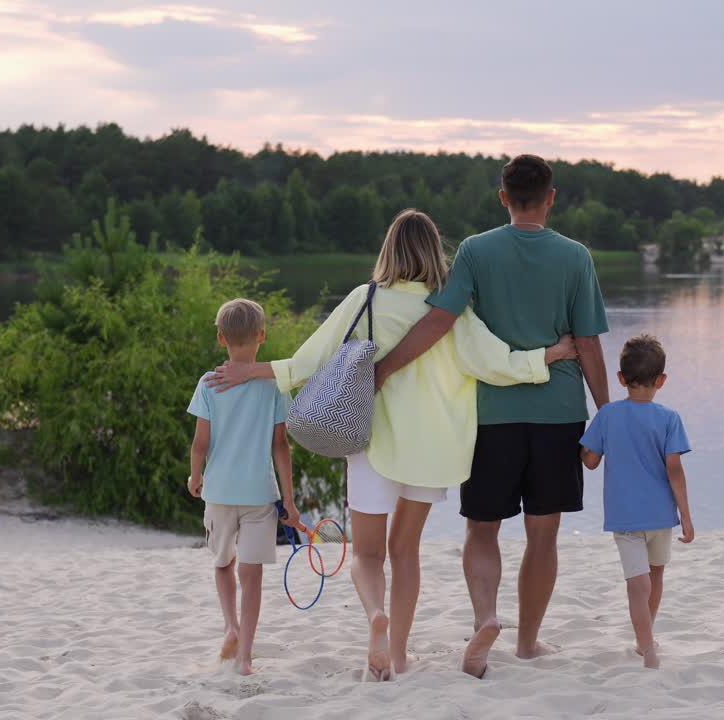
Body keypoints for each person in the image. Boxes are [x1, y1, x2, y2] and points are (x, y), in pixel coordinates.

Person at [205, 209, 576, 680]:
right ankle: (399, 655)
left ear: (388, 250)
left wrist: (250, 370)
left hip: (371, 441)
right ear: (433, 253)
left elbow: (306, 362)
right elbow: (494, 362)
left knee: (366, 554)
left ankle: (375, 618)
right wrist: (550, 355)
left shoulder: (366, 299)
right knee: (406, 552)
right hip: (432, 449)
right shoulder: (451, 305)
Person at [374, 154, 610, 678]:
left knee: (482, 528)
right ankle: (527, 643)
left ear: (502, 197)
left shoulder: (476, 252)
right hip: (558, 413)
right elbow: (588, 342)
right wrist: (607, 412)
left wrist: (384, 368)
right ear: (552, 196)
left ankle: (486, 616)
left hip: (490, 416)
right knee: (542, 534)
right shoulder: (577, 257)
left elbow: (438, 320)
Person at [186, 298, 299, 676]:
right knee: (252, 577)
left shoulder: (208, 383)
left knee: (223, 564)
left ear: (221, 338)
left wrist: (195, 475)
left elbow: (200, 442)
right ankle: (246, 656)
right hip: (259, 495)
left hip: (219, 492)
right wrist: (291, 500)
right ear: (262, 336)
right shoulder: (273, 385)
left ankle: (229, 627)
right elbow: (280, 446)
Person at [579, 334, 693, 669]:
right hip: (661, 516)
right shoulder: (669, 418)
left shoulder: (608, 415)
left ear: (620, 379)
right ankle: (647, 640)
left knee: (637, 582)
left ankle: (646, 643)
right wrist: (686, 516)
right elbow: (676, 471)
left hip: (626, 517)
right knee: (654, 576)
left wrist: (581, 442)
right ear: (661, 380)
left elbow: (590, 461)